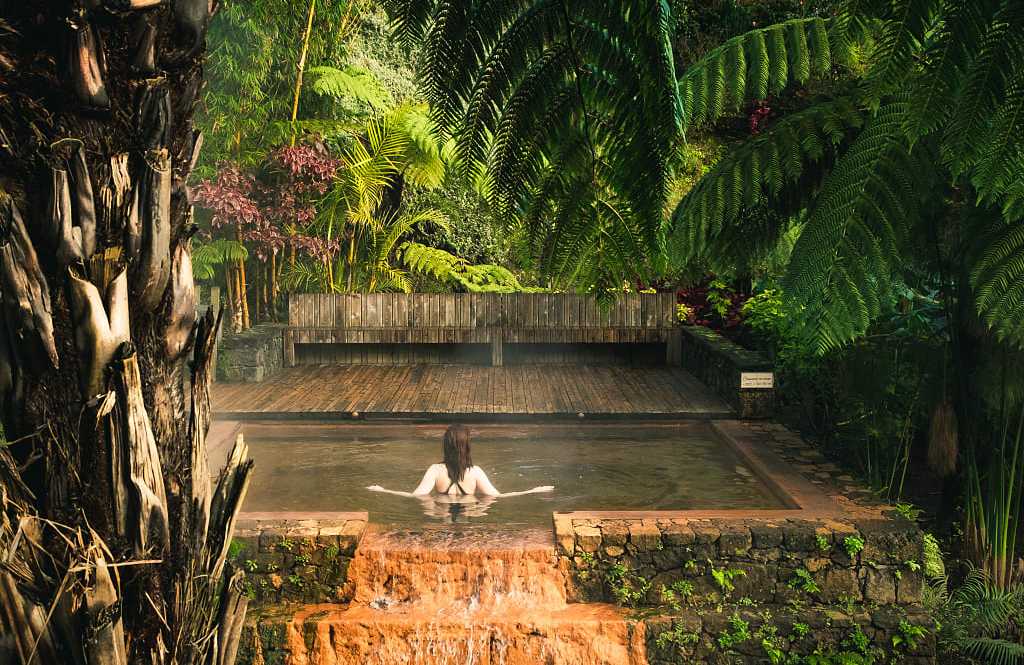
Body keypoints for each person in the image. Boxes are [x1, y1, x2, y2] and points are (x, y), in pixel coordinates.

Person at [366, 424, 554, 498]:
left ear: (446, 445)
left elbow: (415, 496)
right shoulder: (475, 472)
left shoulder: (435, 470)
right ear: (467, 446)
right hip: (469, 524)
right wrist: (532, 491)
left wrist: (383, 490)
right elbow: (498, 497)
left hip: (441, 522)